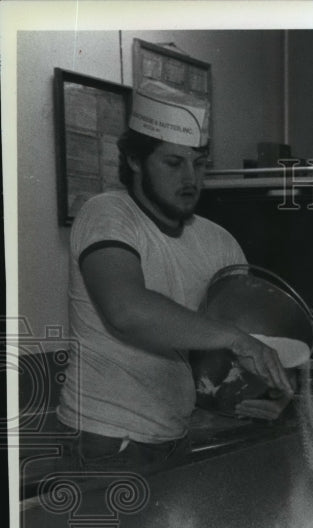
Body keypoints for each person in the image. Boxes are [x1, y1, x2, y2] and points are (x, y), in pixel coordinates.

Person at [56, 85, 295, 474]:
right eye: (173, 163)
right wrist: (237, 339)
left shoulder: (219, 241)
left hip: (177, 436)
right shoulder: (106, 215)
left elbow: (244, 344)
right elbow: (125, 310)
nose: (190, 179)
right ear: (135, 160)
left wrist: (272, 390)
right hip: (105, 439)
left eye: (199, 164)